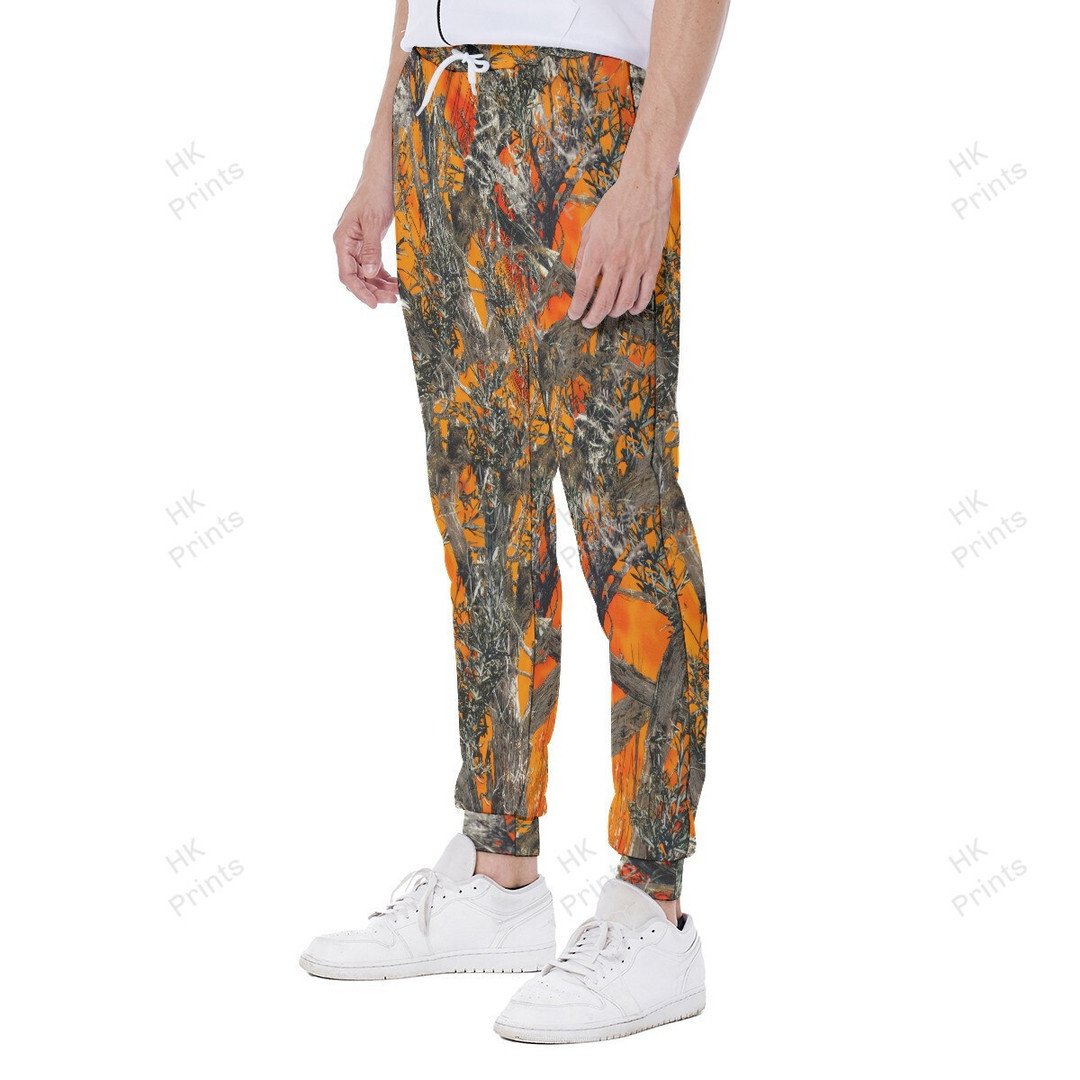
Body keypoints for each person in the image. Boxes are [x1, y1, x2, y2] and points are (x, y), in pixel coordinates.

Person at [300, 0, 729, 1043]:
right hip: (439, 106)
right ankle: (499, 875)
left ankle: (651, 903)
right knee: (481, 519)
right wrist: (383, 153)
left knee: (623, 515)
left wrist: (648, 169)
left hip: (582, 115)